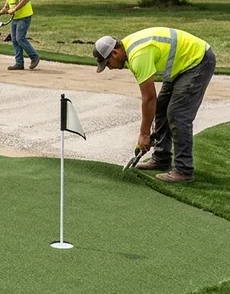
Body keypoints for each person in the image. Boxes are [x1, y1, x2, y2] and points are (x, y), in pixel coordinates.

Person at [93, 28, 216, 182]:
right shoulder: (129, 51)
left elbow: (149, 98)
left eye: (107, 63)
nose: (109, 68)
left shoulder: (138, 55)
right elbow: (153, 102)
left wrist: (144, 134)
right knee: (162, 109)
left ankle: (184, 170)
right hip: (181, 65)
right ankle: (161, 158)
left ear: (115, 53)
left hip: (198, 61)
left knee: (177, 115)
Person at [0, 0, 39, 70]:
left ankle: (34, 57)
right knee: (14, 40)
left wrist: (14, 9)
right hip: (15, 17)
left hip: (24, 16)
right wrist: (5, 8)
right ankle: (19, 63)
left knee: (20, 38)